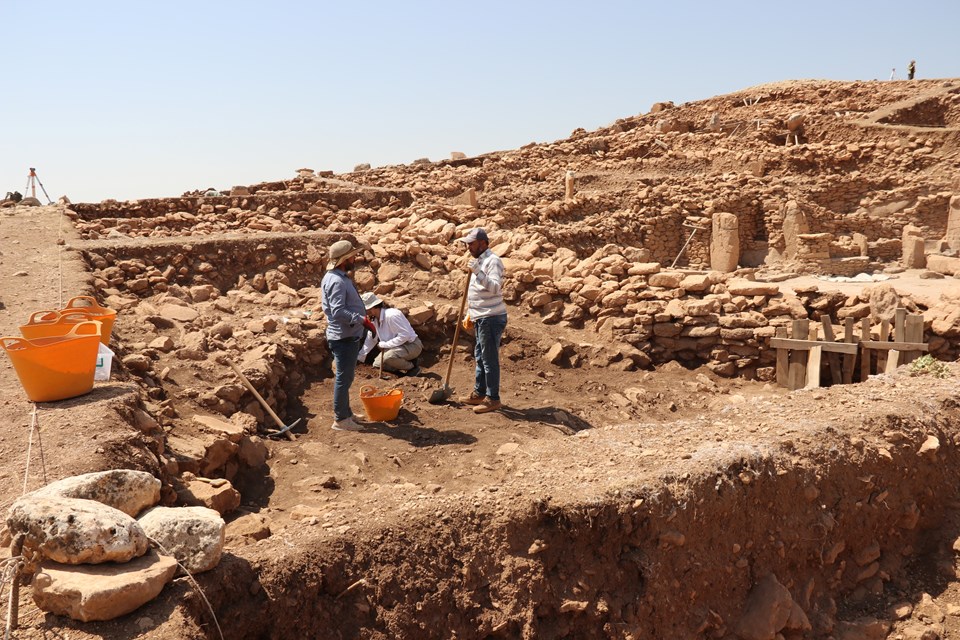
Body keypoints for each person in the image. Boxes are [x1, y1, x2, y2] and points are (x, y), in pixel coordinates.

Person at [321, 240, 376, 431]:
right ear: (344, 260)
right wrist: (360, 319)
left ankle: (347, 413)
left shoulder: (336, 276)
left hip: (345, 335)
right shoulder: (336, 280)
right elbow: (337, 311)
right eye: (352, 256)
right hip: (343, 337)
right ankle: (341, 420)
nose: (355, 258)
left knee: (347, 377)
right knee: (343, 379)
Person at [456, 227, 507, 414]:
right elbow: (478, 291)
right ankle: (480, 392)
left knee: (489, 358)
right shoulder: (479, 260)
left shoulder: (493, 261)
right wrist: (471, 312)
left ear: (483, 243)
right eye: (467, 243)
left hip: (491, 317)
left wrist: (478, 272)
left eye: (471, 243)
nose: (468, 246)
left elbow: (495, 288)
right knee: (480, 356)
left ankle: (493, 398)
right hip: (481, 316)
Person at [357, 292, 423, 376]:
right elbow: (372, 338)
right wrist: (361, 357)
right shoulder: (374, 319)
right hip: (395, 347)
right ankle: (400, 373)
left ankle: (413, 367)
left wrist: (385, 344)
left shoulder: (392, 315)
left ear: (373, 307)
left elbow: (404, 335)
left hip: (411, 345)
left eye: (365, 309)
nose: (364, 312)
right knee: (377, 365)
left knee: (388, 357)